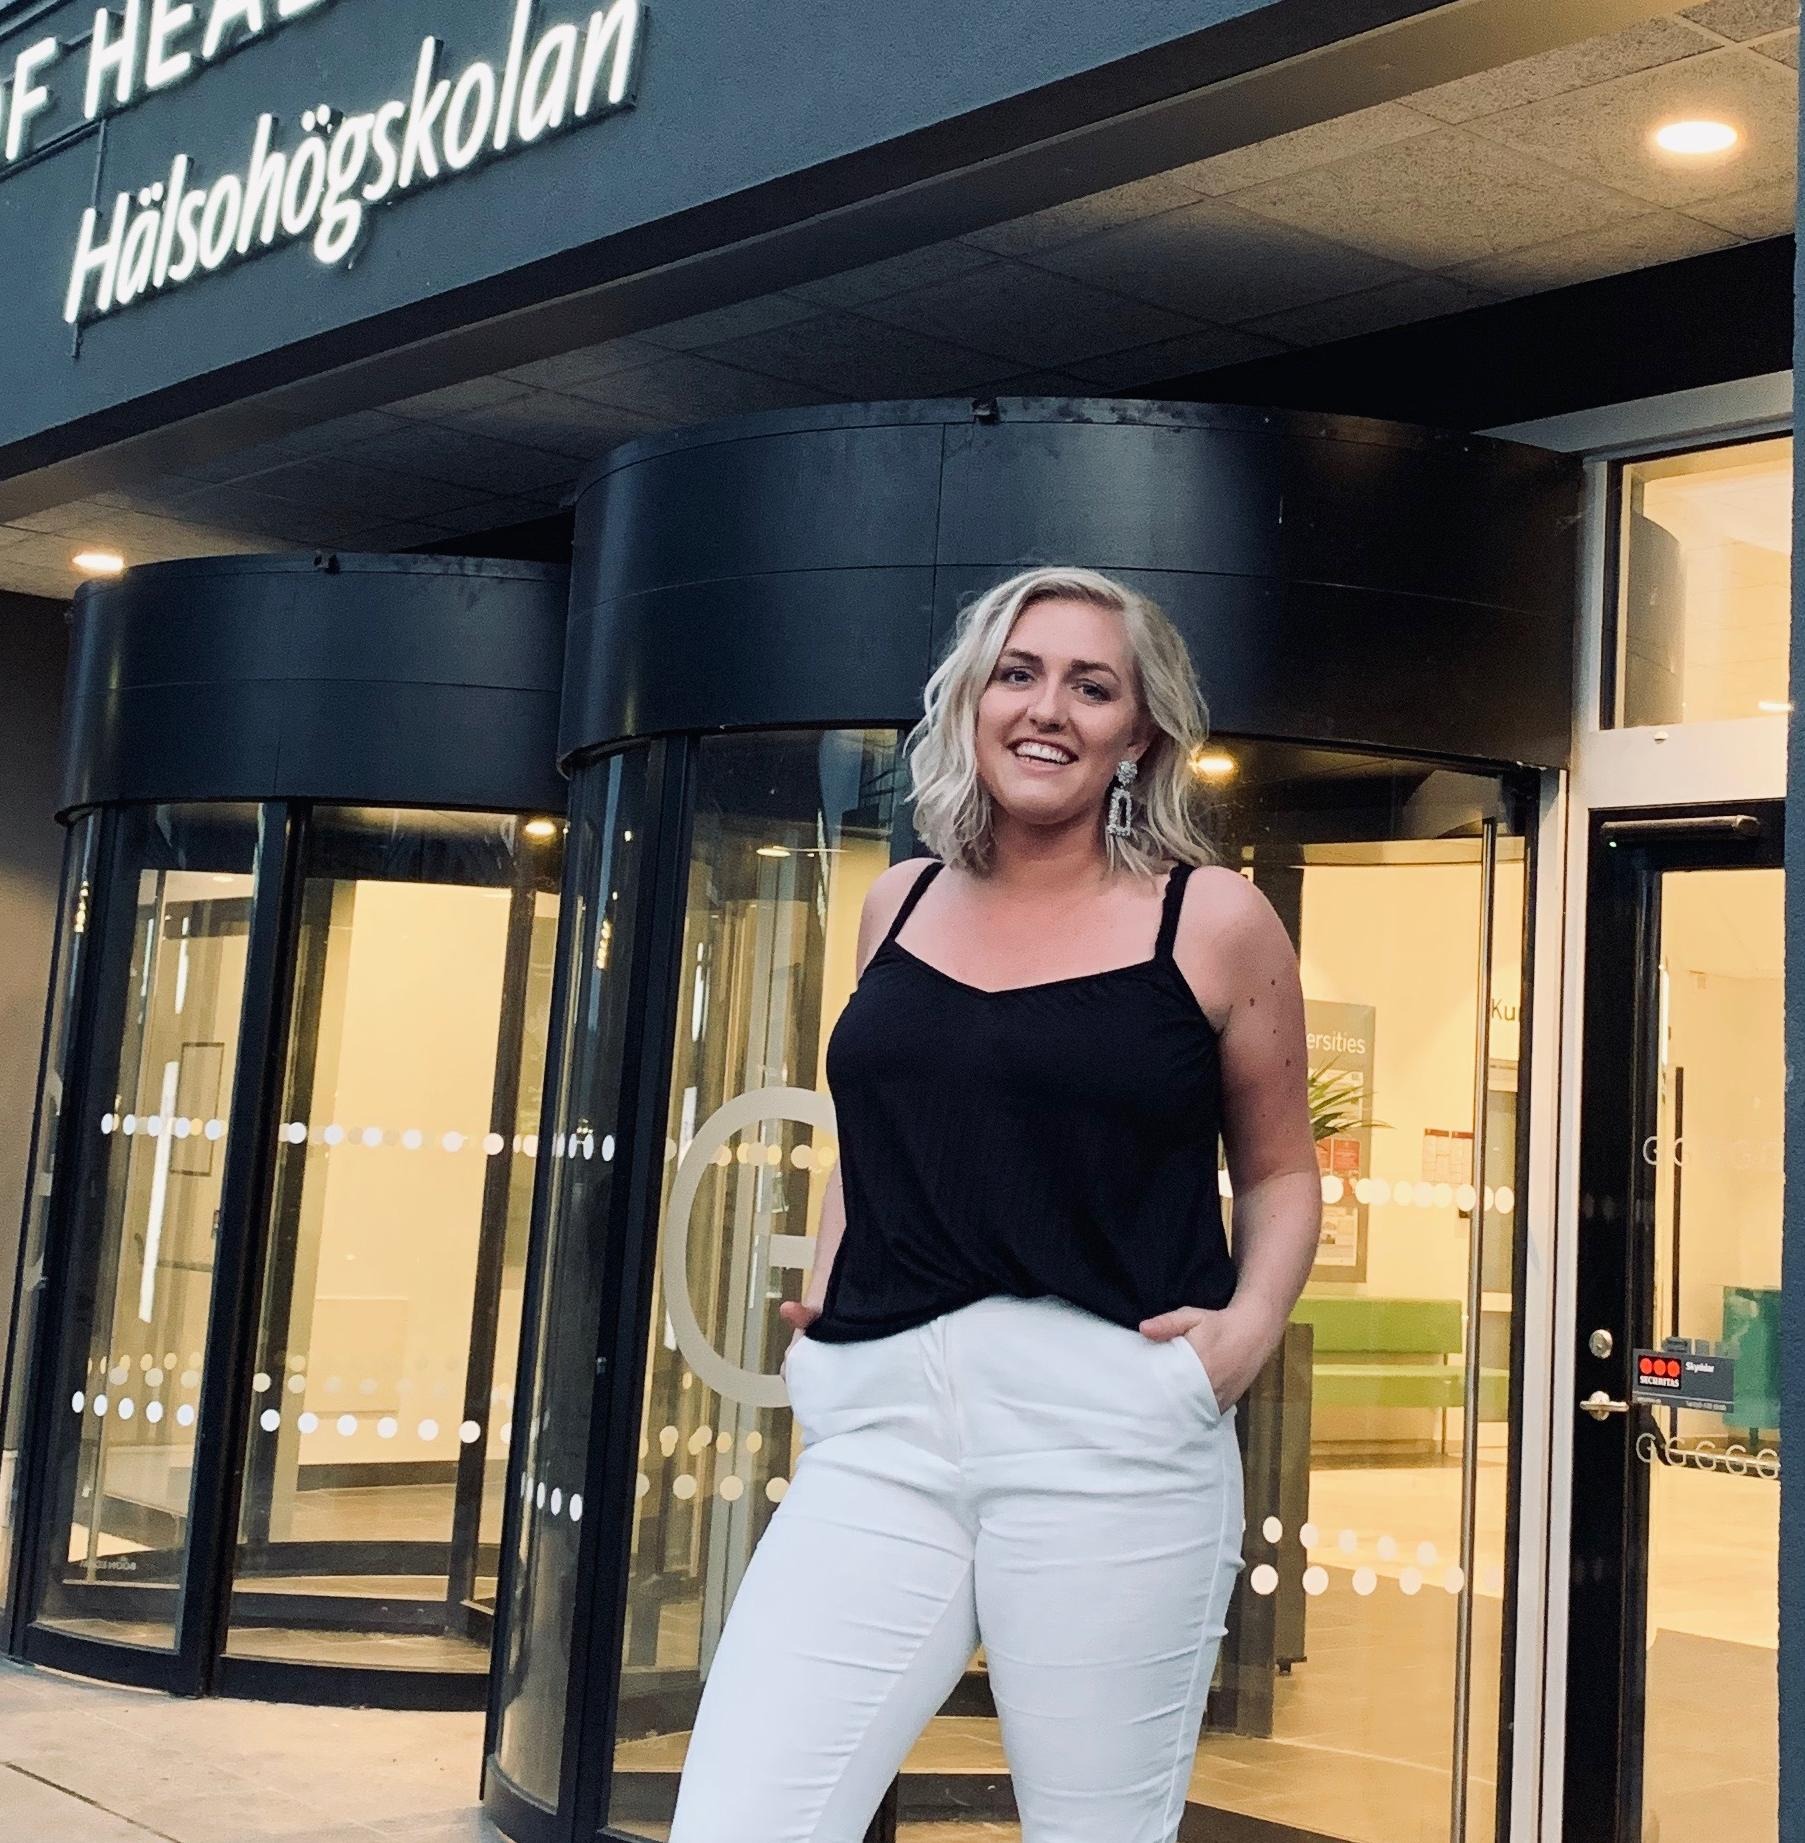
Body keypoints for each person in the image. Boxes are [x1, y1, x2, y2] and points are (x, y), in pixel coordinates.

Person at [667, 565, 1322, 1842]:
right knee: (742, 1817)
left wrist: (1241, 1336)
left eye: (1091, 686)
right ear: (970, 701)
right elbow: (877, 1125)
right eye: (1017, 674)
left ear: (1139, 733)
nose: (1047, 709)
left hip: (1110, 1433)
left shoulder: (1209, 919)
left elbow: (1280, 1169)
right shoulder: (899, 899)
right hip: (881, 1427)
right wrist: (832, 1298)